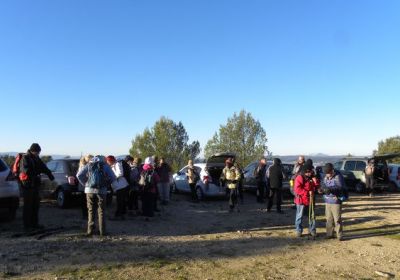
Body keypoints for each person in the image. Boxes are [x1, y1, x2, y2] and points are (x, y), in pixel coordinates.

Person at [77, 155, 116, 236]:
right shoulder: (106, 166)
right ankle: (102, 231)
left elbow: (79, 175)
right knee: (101, 211)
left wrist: (86, 184)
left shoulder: (88, 165)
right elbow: (113, 177)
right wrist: (107, 184)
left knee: (90, 210)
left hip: (89, 190)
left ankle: (90, 231)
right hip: (102, 190)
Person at [19, 143, 55, 230]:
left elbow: (43, 167)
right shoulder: (25, 158)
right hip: (27, 185)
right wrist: (37, 173)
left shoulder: (36, 158)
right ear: (33, 151)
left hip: (35, 185)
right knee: (28, 206)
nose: (38, 154)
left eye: (38, 152)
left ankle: (35, 224)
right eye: (37, 152)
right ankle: (27, 226)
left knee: (35, 205)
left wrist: (50, 174)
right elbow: (26, 171)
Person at [294, 162, 320, 239]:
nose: (309, 173)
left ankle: (312, 230)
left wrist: (317, 184)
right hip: (301, 200)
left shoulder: (312, 177)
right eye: (308, 172)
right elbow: (297, 189)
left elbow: (317, 186)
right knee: (299, 216)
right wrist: (307, 192)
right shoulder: (300, 177)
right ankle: (299, 230)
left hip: (310, 199)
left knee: (312, 215)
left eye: (310, 171)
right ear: (305, 171)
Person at [322, 163, 345, 241]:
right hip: (327, 200)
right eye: (326, 174)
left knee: (337, 219)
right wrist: (322, 189)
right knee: (328, 219)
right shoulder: (325, 176)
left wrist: (331, 190)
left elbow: (340, 187)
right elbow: (323, 184)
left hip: (336, 201)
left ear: (332, 171)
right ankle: (329, 234)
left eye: (329, 173)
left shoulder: (338, 176)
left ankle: (339, 235)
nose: (327, 175)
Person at [106, 155, 130, 220]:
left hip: (121, 185)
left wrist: (111, 177)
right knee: (121, 200)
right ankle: (122, 214)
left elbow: (120, 173)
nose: (107, 163)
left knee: (120, 201)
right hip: (121, 185)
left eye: (107, 161)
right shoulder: (114, 165)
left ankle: (118, 215)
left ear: (110, 160)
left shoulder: (117, 164)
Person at [78, 154, 93, 219]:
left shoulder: (81, 166)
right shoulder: (86, 166)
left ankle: (85, 215)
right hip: (86, 186)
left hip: (82, 186)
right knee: (87, 202)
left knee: (84, 202)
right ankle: (86, 215)